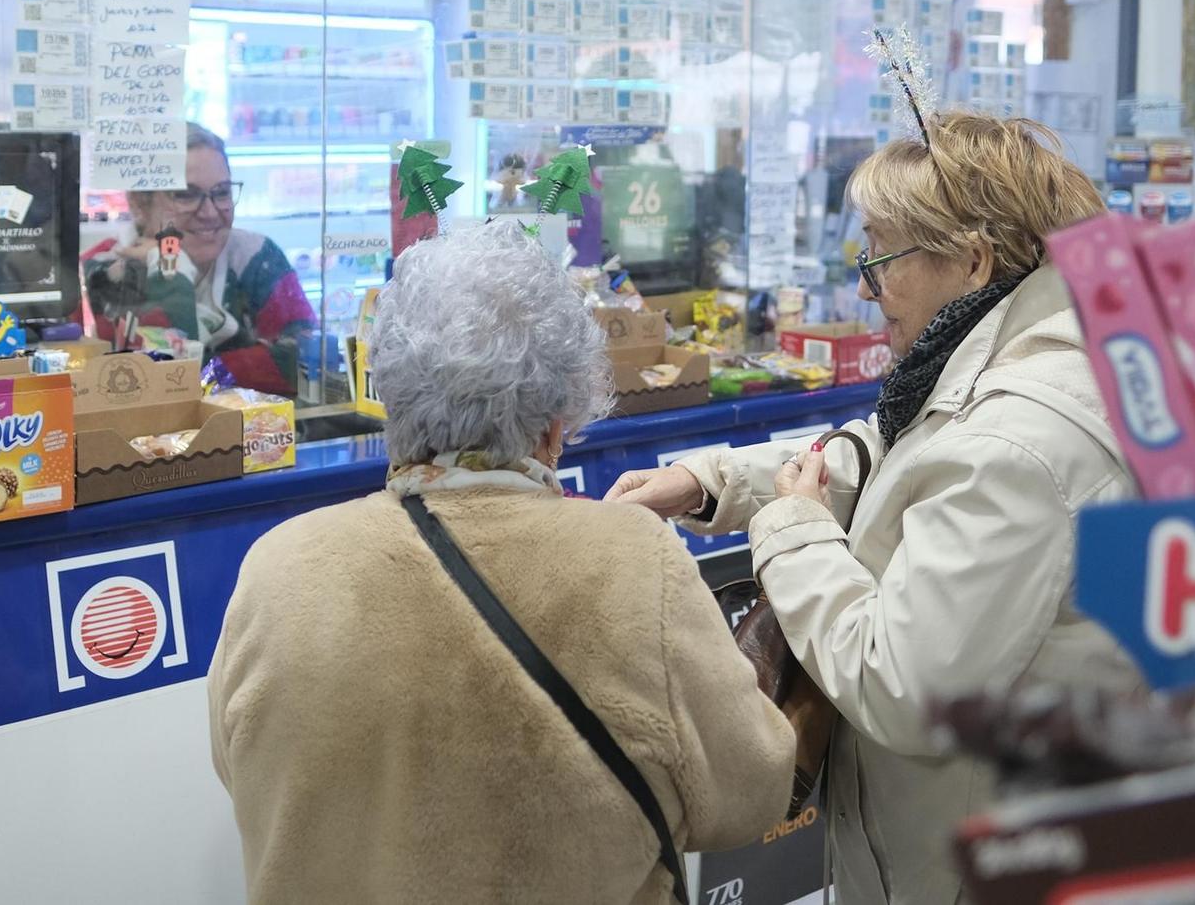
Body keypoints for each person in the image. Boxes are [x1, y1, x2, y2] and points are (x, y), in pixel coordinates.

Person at [606, 111, 1143, 905]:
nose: (864, 285)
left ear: (971, 259)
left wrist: (791, 533)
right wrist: (714, 478)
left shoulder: (1019, 443)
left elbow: (903, 685)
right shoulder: (1021, 357)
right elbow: (895, 446)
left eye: (881, 255)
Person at [209, 221, 795, 903]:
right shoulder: (636, 561)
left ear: (391, 398)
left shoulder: (280, 568)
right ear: (555, 423)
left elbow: (241, 765)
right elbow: (750, 791)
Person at [83, 123, 315, 395]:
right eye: (185, 195)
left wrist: (208, 371)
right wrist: (172, 269)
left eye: (222, 192)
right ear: (139, 204)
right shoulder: (102, 271)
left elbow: (307, 359)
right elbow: (154, 384)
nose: (209, 212)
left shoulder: (256, 255)